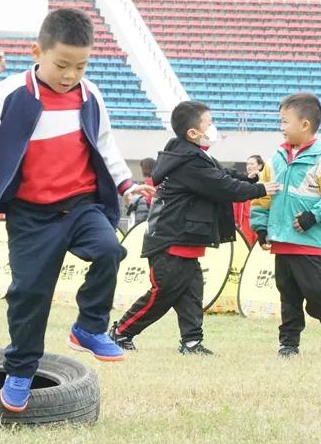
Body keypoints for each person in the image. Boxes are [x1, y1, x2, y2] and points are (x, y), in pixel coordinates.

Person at [0, 8, 153, 413]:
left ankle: (89, 327)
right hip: (31, 214)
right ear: (38, 52)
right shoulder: (15, 91)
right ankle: (20, 370)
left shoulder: (90, 95)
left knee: (110, 250)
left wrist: (125, 184)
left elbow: (104, 143)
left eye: (80, 66)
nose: (70, 75)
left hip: (80, 204)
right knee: (29, 294)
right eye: (62, 65)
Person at [110, 102, 279, 355]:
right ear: (192, 132)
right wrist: (260, 189)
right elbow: (222, 186)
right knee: (163, 293)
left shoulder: (194, 155)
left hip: (185, 238)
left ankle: (191, 342)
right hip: (170, 238)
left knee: (191, 293)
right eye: (208, 123)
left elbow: (223, 174)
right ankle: (120, 332)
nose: (212, 127)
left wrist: (249, 178)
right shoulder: (189, 161)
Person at [251, 93, 321, 357]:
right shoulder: (275, 160)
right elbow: (262, 196)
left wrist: (313, 215)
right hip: (282, 242)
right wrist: (261, 227)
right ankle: (288, 343)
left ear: (305, 124)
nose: (281, 127)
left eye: (285, 121)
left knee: (318, 293)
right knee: (288, 296)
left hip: (312, 243)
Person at [233, 154, 267, 245]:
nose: (249, 166)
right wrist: (235, 221)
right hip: (244, 222)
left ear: (260, 166)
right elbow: (236, 203)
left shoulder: (265, 182)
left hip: (259, 221)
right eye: (247, 164)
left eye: (252, 164)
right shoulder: (242, 183)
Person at [125, 157, 156, 224]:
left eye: (142, 168)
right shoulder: (158, 182)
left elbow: (146, 201)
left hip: (143, 219)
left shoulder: (148, 184)